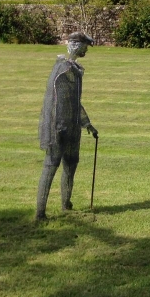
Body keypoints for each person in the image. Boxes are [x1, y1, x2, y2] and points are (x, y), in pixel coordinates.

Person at [36, 32, 98, 220]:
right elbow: (56, 104)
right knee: (51, 166)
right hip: (59, 128)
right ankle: (40, 212)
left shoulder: (73, 69)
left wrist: (87, 123)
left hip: (72, 127)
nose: (86, 49)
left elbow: (74, 102)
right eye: (85, 46)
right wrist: (57, 128)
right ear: (76, 46)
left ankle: (66, 204)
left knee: (71, 165)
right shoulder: (63, 70)